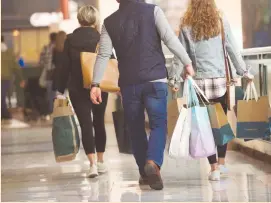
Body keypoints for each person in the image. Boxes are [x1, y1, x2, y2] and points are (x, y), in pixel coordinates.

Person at [90, 0, 193, 190]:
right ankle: (153, 162)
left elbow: (103, 54)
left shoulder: (109, 22)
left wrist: (95, 84)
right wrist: (187, 63)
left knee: (135, 129)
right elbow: (170, 39)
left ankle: (145, 174)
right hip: (155, 79)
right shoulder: (153, 11)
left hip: (129, 84)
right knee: (158, 124)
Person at [169, 0, 254, 181]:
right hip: (219, 82)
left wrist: (174, 78)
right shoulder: (220, 19)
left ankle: (213, 167)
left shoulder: (186, 24)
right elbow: (231, 48)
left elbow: (180, 54)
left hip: (198, 84)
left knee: (204, 127)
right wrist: (244, 71)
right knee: (220, 123)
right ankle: (222, 164)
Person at [55, 5, 109, 178]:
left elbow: (64, 67)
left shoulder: (70, 39)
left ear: (79, 19)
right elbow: (111, 61)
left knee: (86, 124)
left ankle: (92, 164)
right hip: (99, 86)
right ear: (94, 20)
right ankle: (101, 161)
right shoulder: (101, 37)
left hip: (77, 88)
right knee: (99, 122)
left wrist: (60, 90)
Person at [1, 35, 25, 122]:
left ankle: (6, 115)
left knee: (2, 97)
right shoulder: (9, 52)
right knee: (2, 97)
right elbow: (16, 67)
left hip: (4, 78)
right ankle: (5, 115)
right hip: (5, 78)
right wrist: (21, 78)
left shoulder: (8, 52)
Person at [39, 32, 57, 119]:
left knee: (50, 94)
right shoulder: (60, 47)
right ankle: (61, 113)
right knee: (60, 94)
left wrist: (46, 64)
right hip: (58, 73)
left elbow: (41, 62)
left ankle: (51, 112)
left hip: (49, 73)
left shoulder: (46, 48)